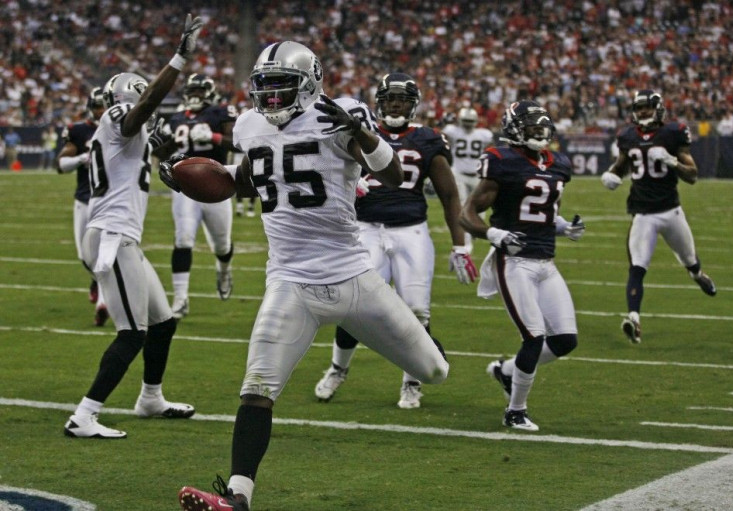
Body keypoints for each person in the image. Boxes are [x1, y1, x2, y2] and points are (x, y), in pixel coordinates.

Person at [170, 41, 449, 511]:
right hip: (289, 281)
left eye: (282, 87)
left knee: (434, 371)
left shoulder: (341, 114)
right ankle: (238, 496)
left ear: (310, 83)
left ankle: (416, 341)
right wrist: (194, 178)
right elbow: (248, 179)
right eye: (265, 88)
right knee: (257, 387)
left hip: (353, 275)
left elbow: (397, 177)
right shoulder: (249, 124)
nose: (272, 98)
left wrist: (363, 134)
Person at [63, 13, 203, 440]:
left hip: (122, 237)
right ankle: (83, 416)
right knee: (132, 334)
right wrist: (179, 59)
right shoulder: (118, 116)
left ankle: (151, 397)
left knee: (163, 323)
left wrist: (167, 156)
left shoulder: (127, 136)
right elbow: (142, 108)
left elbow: (152, 160)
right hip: (111, 236)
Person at [313, 72, 477, 409]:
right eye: (389, 99)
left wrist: (460, 245)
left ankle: (412, 381)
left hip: (411, 231)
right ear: (378, 103)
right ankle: (337, 368)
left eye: (401, 99)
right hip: (365, 229)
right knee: (353, 306)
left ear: (413, 105)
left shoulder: (428, 139)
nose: (395, 105)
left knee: (417, 309)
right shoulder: (358, 133)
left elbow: (449, 195)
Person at [459, 100, 585, 432]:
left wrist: (561, 226)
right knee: (533, 336)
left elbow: (541, 209)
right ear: (516, 128)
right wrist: (494, 234)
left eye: (543, 126)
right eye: (532, 126)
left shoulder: (558, 163)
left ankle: (506, 371)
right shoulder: (502, 160)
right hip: (514, 262)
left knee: (565, 340)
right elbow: (467, 212)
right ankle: (515, 411)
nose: (540, 132)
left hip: (545, 260)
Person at [600, 89, 716, 344]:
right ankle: (634, 319)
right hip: (643, 214)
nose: (642, 112)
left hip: (671, 211)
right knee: (637, 267)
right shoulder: (627, 136)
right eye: (638, 107)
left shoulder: (672, 133)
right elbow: (621, 165)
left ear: (658, 109)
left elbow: (693, 175)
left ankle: (697, 275)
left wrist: (671, 160)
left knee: (689, 260)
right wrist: (613, 176)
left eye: (647, 107)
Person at [155, 73, 239, 319]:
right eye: (191, 91)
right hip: (185, 189)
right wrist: (160, 145)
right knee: (183, 240)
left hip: (217, 186)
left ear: (209, 93)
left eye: (199, 92)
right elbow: (164, 151)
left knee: (222, 245)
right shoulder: (177, 118)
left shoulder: (220, 112)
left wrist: (213, 137)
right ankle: (180, 299)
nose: (194, 96)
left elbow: (238, 143)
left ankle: (224, 270)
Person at [56, 87, 109, 326]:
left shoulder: (119, 127)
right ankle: (97, 281)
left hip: (109, 200)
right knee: (85, 257)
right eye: (98, 106)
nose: (102, 111)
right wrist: (80, 158)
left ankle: (104, 303)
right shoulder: (78, 131)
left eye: (105, 105)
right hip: (84, 198)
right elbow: (60, 164)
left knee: (105, 256)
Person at [442, 106, 494, 252]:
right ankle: (465, 241)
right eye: (466, 121)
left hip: (477, 175)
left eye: (469, 121)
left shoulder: (454, 130)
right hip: (458, 173)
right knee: (462, 205)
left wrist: (444, 122)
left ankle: (472, 231)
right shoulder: (483, 134)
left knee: (480, 207)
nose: (467, 124)